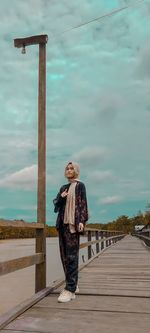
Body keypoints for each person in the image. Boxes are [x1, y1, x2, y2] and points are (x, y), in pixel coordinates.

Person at [53, 161, 88, 303]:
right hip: (62, 224)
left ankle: (70, 290)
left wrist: (81, 221)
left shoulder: (80, 186)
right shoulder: (63, 187)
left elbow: (82, 204)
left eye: (71, 168)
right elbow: (55, 204)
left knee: (72, 256)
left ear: (76, 170)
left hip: (73, 224)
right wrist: (61, 197)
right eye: (67, 168)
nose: (68, 170)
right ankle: (73, 283)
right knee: (64, 256)